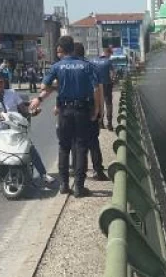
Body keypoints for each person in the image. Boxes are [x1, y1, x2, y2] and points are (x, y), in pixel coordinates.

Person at [30, 36, 102, 197]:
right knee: (81, 147)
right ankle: (79, 187)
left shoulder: (57, 66)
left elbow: (44, 86)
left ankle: (64, 185)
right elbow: (96, 89)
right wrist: (97, 109)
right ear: (73, 48)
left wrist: (48, 92)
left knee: (64, 147)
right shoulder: (87, 66)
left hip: (64, 111)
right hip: (82, 110)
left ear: (61, 50)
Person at [0, 74, 55, 197]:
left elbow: (23, 109)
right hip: (0, 132)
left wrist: (32, 112)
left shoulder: (12, 93)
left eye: (1, 82)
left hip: (16, 129)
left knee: (30, 149)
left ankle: (43, 175)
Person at [73, 43, 108, 181]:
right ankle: (98, 170)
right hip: (91, 109)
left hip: (74, 110)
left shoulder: (69, 68)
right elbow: (99, 89)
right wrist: (100, 111)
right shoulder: (91, 67)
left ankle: (78, 172)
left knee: (77, 143)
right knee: (93, 141)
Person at [92, 46, 115, 130]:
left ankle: (100, 123)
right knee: (108, 104)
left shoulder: (93, 61)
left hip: (96, 85)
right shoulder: (108, 61)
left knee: (98, 103)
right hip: (106, 85)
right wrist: (112, 81)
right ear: (107, 53)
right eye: (110, 54)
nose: (110, 56)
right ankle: (109, 124)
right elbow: (112, 74)